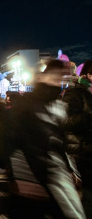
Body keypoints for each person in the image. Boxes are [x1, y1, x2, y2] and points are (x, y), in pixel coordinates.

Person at [6, 60, 85, 218]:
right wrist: (23, 178)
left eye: (61, 79)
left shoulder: (56, 106)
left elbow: (58, 142)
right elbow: (11, 142)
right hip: (31, 181)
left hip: (55, 177)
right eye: (54, 77)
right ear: (41, 77)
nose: (58, 83)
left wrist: (70, 169)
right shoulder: (24, 106)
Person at [62, 60, 92, 218]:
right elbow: (65, 121)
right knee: (87, 199)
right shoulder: (75, 93)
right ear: (89, 75)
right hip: (82, 155)